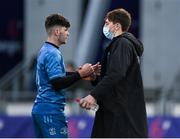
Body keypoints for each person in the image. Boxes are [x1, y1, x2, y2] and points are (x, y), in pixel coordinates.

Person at [79, 8, 148, 137]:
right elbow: (116, 77)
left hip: (121, 115)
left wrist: (93, 95)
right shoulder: (120, 45)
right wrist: (94, 77)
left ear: (117, 26)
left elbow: (117, 73)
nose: (105, 27)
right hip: (117, 112)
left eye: (107, 23)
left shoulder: (122, 43)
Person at [31, 13, 100, 138]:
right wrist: (80, 74)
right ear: (57, 32)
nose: (68, 33)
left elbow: (55, 76)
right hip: (51, 111)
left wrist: (82, 75)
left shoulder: (45, 49)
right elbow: (57, 83)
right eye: (66, 30)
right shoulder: (53, 53)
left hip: (41, 109)